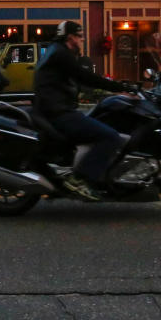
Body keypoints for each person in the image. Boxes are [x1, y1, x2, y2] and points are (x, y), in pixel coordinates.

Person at [33, 20, 129, 201]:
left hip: (52, 109)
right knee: (110, 137)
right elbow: (84, 77)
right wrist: (120, 87)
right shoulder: (62, 54)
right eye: (80, 36)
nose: (82, 40)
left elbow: (75, 80)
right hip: (60, 113)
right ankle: (80, 179)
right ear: (71, 37)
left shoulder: (55, 51)